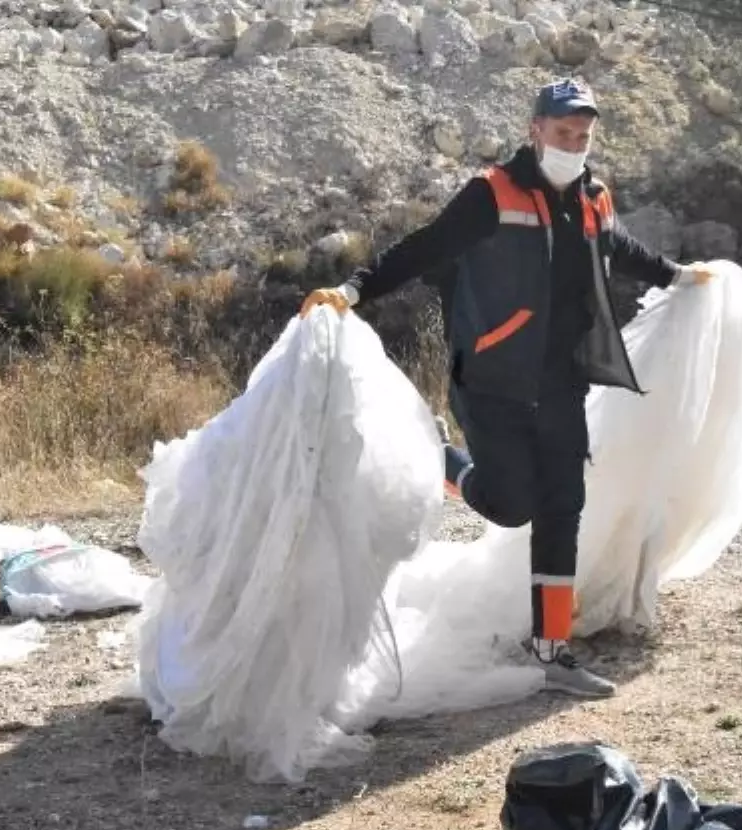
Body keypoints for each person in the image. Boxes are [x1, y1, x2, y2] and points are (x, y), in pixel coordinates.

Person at [300, 77, 714, 699]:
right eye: (562, 132)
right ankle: (442, 460)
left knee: (561, 509)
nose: (573, 144)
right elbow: (424, 247)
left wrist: (677, 276)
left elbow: (618, 247)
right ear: (536, 130)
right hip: (493, 380)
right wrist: (353, 290)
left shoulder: (594, 197)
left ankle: (552, 652)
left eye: (583, 135)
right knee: (512, 503)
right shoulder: (491, 194)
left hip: (563, 381)